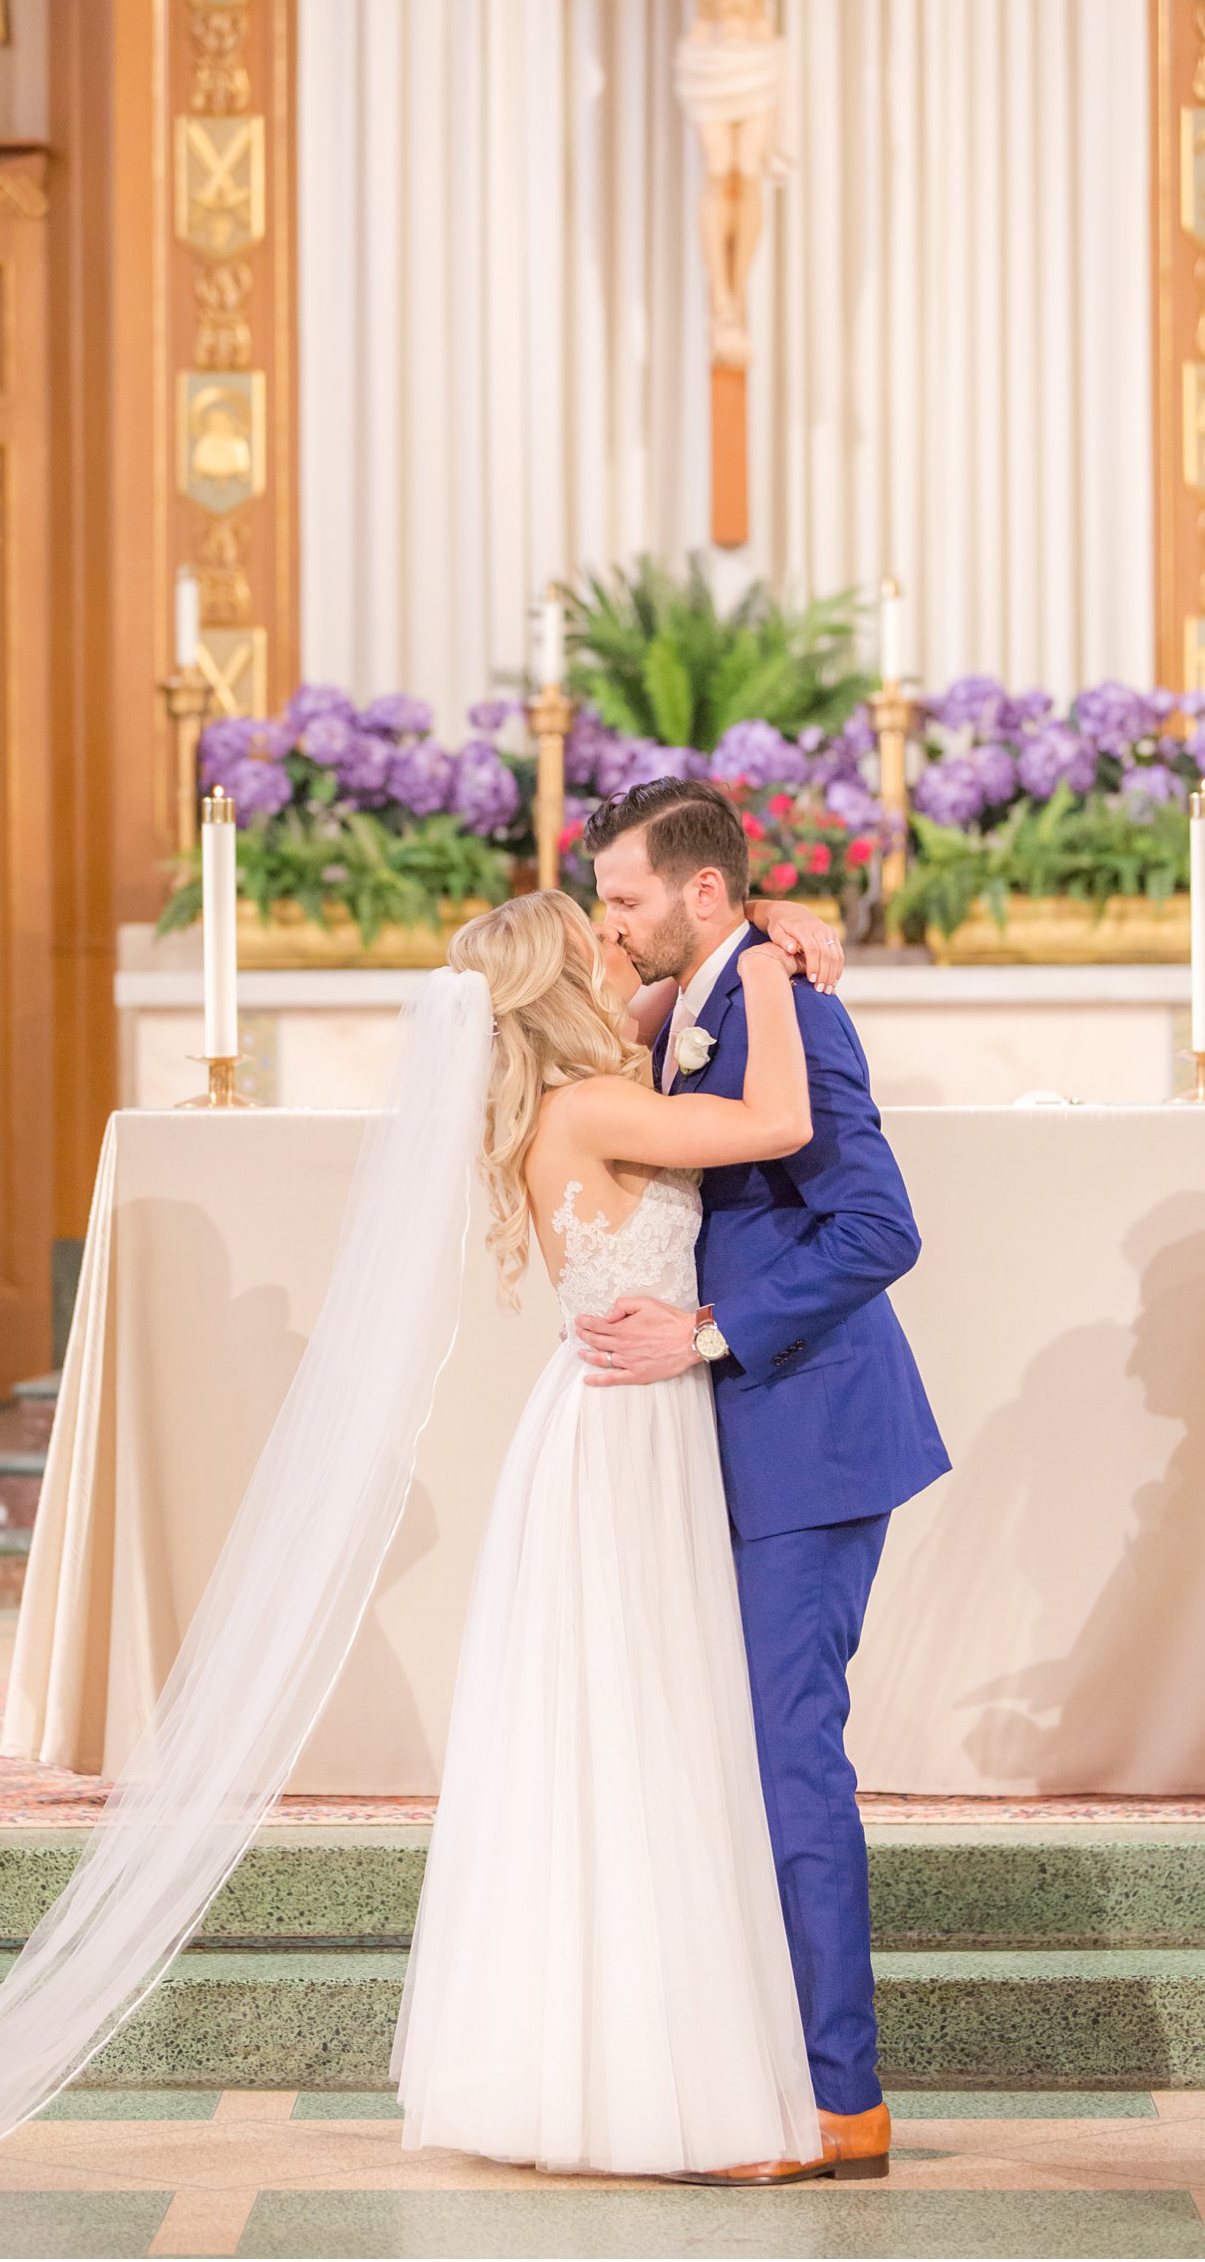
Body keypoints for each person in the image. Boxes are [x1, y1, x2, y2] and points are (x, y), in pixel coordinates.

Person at [393, 881, 858, 2179]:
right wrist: (768, 959)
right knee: (650, 1728)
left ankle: (622, 2066)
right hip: (628, 1422)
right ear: (559, 985)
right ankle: (671, 2091)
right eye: (598, 942)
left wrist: (776, 913)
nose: (622, 950)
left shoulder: (578, 1088)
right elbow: (775, 1117)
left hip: (619, 1417)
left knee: (638, 1723)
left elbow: (668, 989)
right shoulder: (594, 1105)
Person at [571, 777, 953, 2184]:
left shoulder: (800, 1007)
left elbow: (879, 1225)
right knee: (740, 1757)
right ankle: (767, 2064)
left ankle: (841, 2098)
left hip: (809, 1438)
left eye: (624, 897)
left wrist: (710, 1332)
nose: (609, 923)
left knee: (793, 1760)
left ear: (704, 892)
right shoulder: (696, 999)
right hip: (730, 1445)